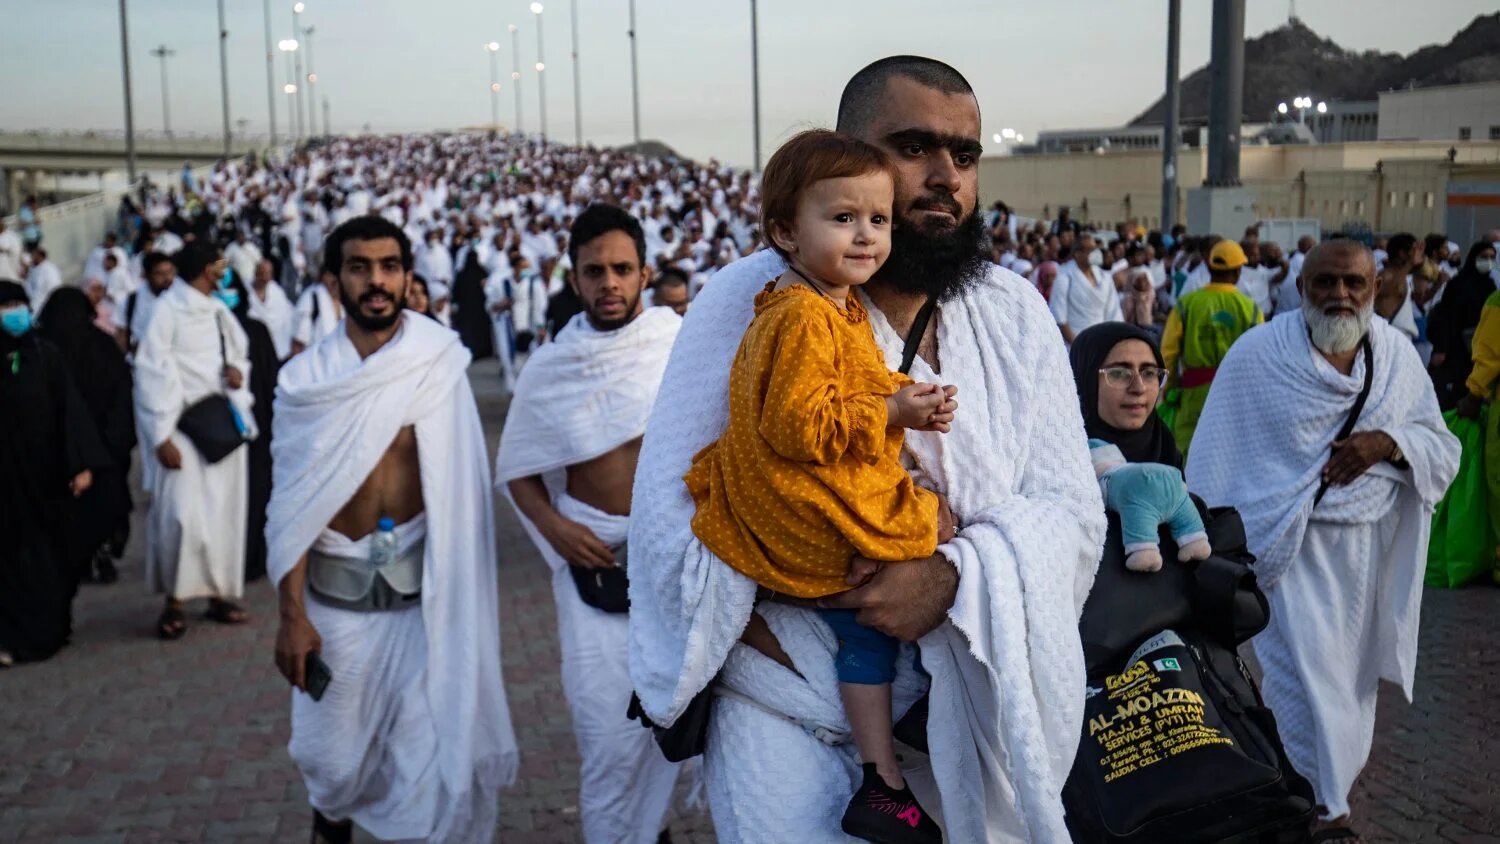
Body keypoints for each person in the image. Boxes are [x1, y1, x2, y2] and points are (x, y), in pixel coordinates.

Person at [629, 56, 1104, 842]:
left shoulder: (1015, 311)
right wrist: (754, 622)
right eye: (913, 147)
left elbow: (1071, 510)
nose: (945, 175)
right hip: (783, 699)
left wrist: (951, 576)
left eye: (965, 154)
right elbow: (665, 512)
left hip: (960, 712)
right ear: (843, 153)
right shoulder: (748, 303)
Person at [683, 130, 953, 842]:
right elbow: (801, 426)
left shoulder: (836, 302)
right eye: (843, 219)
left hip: (788, 500)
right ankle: (884, 776)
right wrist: (893, 412)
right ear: (784, 231)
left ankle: (887, 762)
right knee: (932, 530)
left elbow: (852, 383)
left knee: (890, 590)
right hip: (791, 509)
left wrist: (904, 394)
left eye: (878, 219)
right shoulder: (804, 314)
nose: (866, 236)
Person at [1186, 240, 1460, 835]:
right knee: (1297, 681)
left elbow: (1441, 446)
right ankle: (1321, 809)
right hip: (1284, 552)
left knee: (1349, 690)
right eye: (1326, 283)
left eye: (1353, 284)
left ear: (1373, 285)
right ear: (1301, 287)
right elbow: (1213, 460)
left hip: (1367, 555)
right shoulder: (1257, 355)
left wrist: (1385, 444)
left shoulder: (1396, 359)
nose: (1340, 296)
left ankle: (1323, 794)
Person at [267, 216, 517, 844]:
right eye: (359, 267)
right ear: (333, 280)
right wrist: (291, 615)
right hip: (337, 607)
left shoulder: (437, 364)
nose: (375, 281)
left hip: (420, 605)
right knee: (330, 763)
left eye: (388, 267)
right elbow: (292, 510)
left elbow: (461, 493)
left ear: (407, 277)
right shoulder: (305, 384)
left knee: (425, 764)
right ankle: (330, 823)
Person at [496, 204, 686, 843]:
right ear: (573, 279)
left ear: (644, 274)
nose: (610, 282)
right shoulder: (551, 368)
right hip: (593, 569)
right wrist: (554, 528)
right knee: (606, 737)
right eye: (594, 271)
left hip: (677, 567)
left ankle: (652, 829)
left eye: (622, 269)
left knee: (685, 725)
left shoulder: (677, 345)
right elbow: (518, 467)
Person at [133, 242, 256, 640]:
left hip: (218, 421)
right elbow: (150, 370)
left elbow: (239, 352)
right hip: (180, 425)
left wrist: (236, 370)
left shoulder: (218, 309)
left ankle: (218, 595)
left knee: (223, 513)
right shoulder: (166, 309)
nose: (224, 267)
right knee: (182, 516)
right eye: (218, 262)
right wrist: (160, 435)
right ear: (206, 268)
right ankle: (175, 602)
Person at [0, 282, 110, 666]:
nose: (14, 312)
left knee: (52, 555)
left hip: (48, 479)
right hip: (7, 484)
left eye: (18, 304)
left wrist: (79, 464)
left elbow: (70, 413)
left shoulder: (46, 356)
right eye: (5, 306)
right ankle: (12, 638)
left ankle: (51, 629)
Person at [38, 288, 137, 585]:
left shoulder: (42, 349)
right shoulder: (103, 346)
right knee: (104, 504)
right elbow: (122, 396)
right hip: (106, 448)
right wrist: (116, 442)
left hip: (59, 451)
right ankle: (101, 554)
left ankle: (75, 559)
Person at [1160, 240, 1263, 456]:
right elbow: (1259, 358)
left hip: (1192, 392)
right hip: (1235, 392)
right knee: (1229, 450)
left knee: (1189, 448)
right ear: (1238, 271)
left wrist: (1169, 388)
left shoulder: (1186, 304)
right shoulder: (1251, 308)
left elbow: (1168, 352)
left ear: (1208, 267)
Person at [220, 271, 281, 582]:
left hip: (220, 430)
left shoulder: (212, 331)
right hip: (256, 425)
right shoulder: (254, 330)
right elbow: (272, 381)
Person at [1069, 321, 1180, 470]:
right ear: (1085, 382)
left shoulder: (1165, 449)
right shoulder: (1058, 460)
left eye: (1149, 373)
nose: (1139, 388)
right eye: (1119, 373)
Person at [1429, 241, 1499, 410]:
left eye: (1492, 257)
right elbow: (1446, 316)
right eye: (1484, 257)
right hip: (1457, 349)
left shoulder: (1490, 286)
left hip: (1478, 351)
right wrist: (1442, 348)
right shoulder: (1458, 284)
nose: (1488, 261)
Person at [1050, 231, 1123, 343]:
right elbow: (1059, 317)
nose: (1094, 253)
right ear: (1077, 254)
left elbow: (1113, 313)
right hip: (1073, 343)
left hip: (1102, 341)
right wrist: (1077, 345)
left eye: (1095, 248)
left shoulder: (1105, 278)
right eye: (1089, 249)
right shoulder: (1064, 277)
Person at [115, 252, 176, 359]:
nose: (168, 278)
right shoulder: (129, 301)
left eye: (170, 272)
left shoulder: (180, 300)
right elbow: (121, 337)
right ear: (146, 275)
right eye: (160, 274)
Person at [1375, 232, 1422, 340]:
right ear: (1402, 253)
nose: (1419, 253)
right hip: (1390, 338)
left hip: (1401, 338)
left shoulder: (1401, 275)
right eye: (1415, 249)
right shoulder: (1387, 277)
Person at [246, 259, 296, 360]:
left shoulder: (276, 291)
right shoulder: (245, 291)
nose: (264, 277)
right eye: (262, 273)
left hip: (279, 347)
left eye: (268, 274)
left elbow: (288, 315)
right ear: (256, 273)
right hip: (255, 346)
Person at [292, 267, 343, 356]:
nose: (334, 279)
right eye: (330, 275)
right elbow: (298, 342)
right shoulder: (311, 298)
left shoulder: (344, 302)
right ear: (323, 276)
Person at [25, 247, 62, 313]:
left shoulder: (50, 268)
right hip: (34, 305)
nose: (32, 258)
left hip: (46, 305)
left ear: (40, 256)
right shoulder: (32, 268)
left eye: (34, 255)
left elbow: (54, 287)